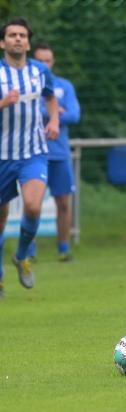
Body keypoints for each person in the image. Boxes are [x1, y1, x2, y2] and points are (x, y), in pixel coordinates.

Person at [0, 17, 60, 298]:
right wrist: (3, 102)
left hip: (33, 152)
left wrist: (55, 121)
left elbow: (49, 97)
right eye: (12, 35)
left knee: (34, 207)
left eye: (22, 35)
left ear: (28, 41)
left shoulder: (39, 71)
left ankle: (22, 255)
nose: (18, 39)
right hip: (2, 157)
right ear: (3, 42)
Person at [29, 41, 80, 262]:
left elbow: (75, 115)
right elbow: (27, 112)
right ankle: (28, 252)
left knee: (63, 203)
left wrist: (50, 114)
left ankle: (63, 249)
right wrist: (55, 112)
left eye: (47, 60)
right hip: (32, 153)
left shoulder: (64, 86)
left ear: (53, 61)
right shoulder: (26, 85)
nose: (44, 65)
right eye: (39, 61)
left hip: (59, 154)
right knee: (33, 205)